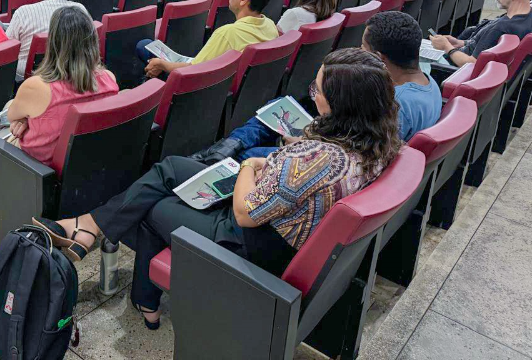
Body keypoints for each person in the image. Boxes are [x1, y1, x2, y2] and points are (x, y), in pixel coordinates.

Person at [33, 48, 401, 329]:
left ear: (343, 105)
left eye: (317, 90)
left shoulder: (317, 161)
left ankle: (138, 290)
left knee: (152, 205)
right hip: (279, 219)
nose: (314, 95)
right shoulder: (375, 142)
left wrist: (249, 166)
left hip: (249, 240)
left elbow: (245, 212)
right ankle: (90, 227)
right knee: (171, 168)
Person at [6, 6, 119, 166]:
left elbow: (11, 116)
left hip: (41, 167)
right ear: (93, 41)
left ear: (53, 42)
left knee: (9, 109)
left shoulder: (36, 87)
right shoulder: (109, 79)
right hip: (85, 159)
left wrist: (23, 120)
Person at [139, 0, 279, 77]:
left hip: (197, 88)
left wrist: (163, 65)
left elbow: (193, 71)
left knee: (144, 46)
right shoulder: (270, 26)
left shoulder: (228, 34)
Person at [362, 11, 442, 141]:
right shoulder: (429, 81)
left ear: (378, 57)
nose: (360, 51)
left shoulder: (395, 105)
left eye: (363, 47)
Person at [6, 0, 91, 82]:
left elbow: (8, 49)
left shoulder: (24, 12)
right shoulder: (80, 9)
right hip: (71, 71)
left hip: (31, 75)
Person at [430, 0, 532, 67]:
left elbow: (472, 64)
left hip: (450, 69)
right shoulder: (525, 19)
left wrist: (446, 47)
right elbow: (486, 46)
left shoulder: (502, 27)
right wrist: (459, 43)